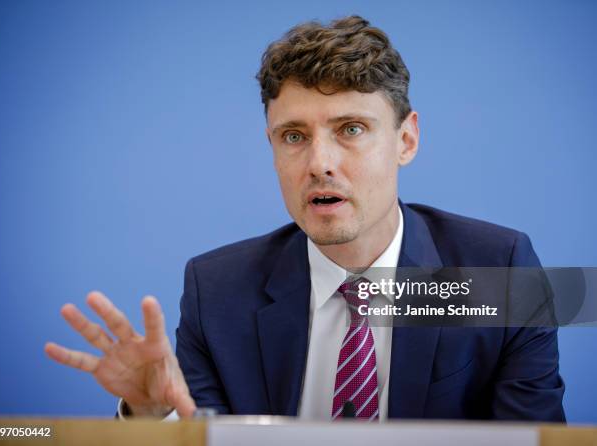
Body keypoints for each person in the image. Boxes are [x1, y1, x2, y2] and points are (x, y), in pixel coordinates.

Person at [44, 15, 565, 422]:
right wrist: (147, 412)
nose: (320, 163)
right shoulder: (217, 291)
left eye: (352, 129)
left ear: (405, 140)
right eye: (294, 136)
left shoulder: (500, 271)